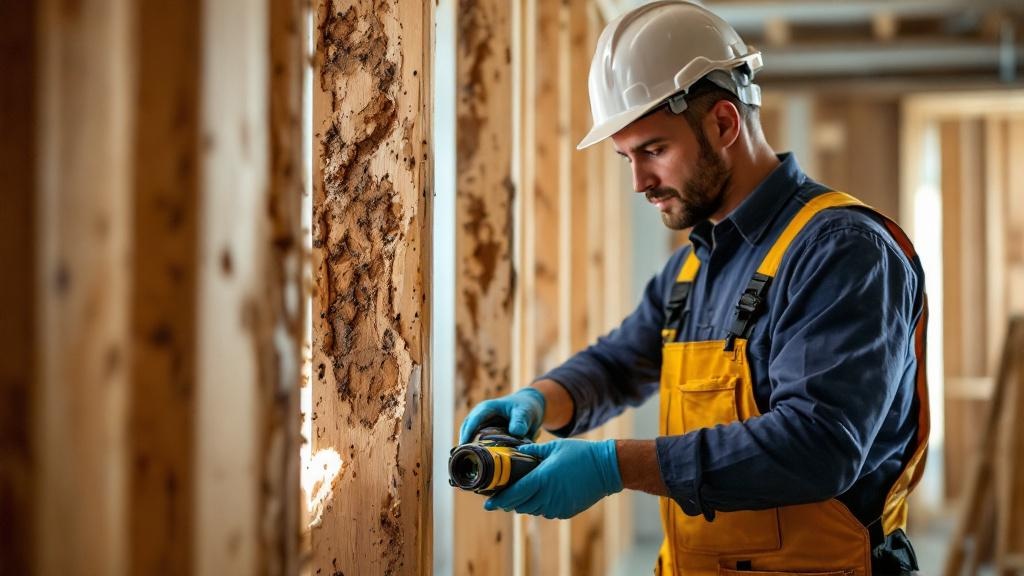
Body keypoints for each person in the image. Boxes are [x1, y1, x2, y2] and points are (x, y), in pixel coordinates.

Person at [458, 1, 929, 574]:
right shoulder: (691, 269)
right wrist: (538, 399)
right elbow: (619, 363)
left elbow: (817, 446)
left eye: (654, 150)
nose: (639, 182)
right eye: (627, 157)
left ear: (724, 124)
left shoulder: (841, 249)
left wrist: (613, 466)